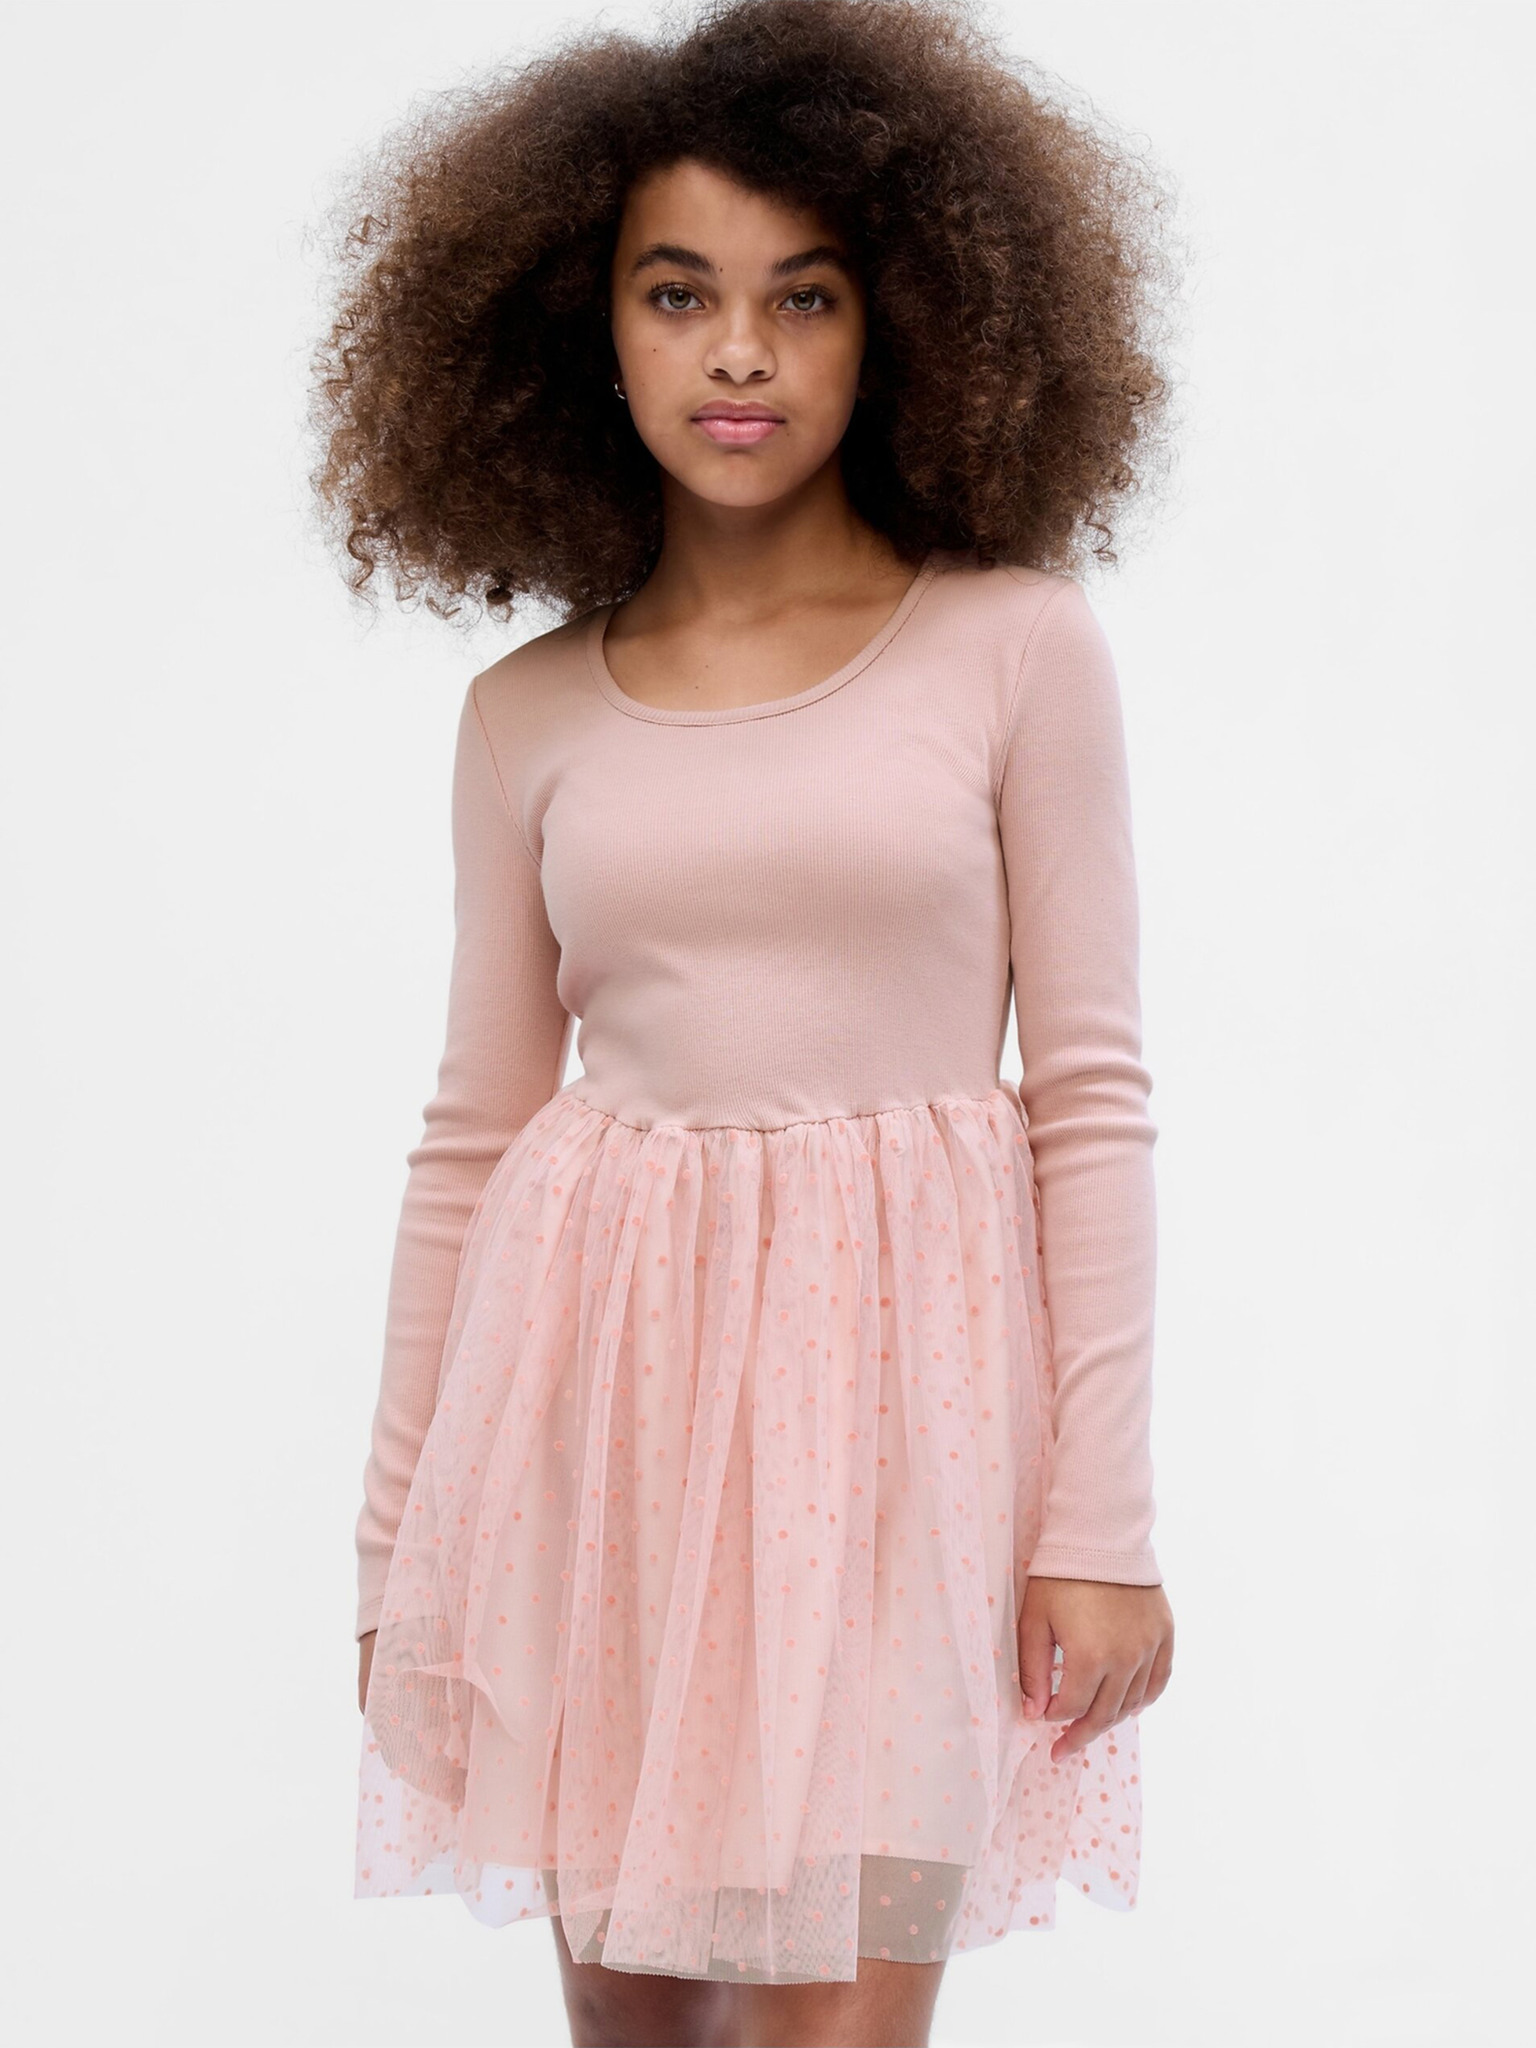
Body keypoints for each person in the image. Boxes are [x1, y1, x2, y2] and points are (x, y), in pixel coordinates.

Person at [309, 3, 1182, 2042]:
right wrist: (396, 1554)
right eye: (677, 291)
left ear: (904, 325)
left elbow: (1091, 1097)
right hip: (603, 1427)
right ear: (585, 326)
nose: (738, 353)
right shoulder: (526, 713)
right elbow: (470, 1137)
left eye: (805, 296)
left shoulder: (1015, 649)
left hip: (913, 1437)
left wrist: (1105, 1522)